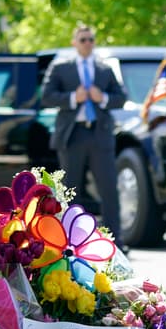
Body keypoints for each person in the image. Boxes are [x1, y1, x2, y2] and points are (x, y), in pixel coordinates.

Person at [41, 25, 128, 247]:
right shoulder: (61, 67)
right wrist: (73, 97)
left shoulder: (104, 68)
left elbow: (121, 98)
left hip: (99, 134)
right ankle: (70, 241)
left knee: (109, 187)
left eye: (91, 39)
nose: (87, 43)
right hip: (73, 134)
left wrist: (103, 98)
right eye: (83, 39)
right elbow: (47, 97)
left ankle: (115, 241)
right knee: (71, 190)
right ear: (74, 42)